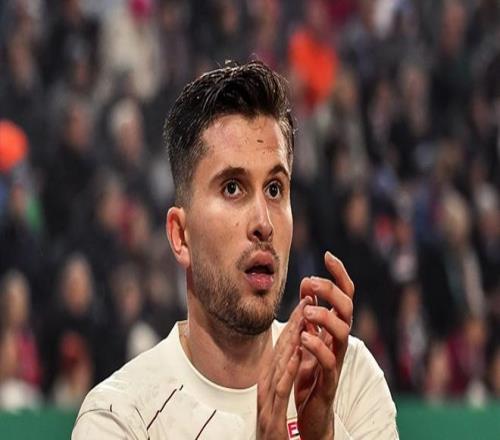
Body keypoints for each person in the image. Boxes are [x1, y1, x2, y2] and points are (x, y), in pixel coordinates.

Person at [72, 61, 398, 439]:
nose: (264, 222)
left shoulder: (347, 380)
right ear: (181, 236)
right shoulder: (119, 418)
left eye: (275, 189)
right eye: (232, 188)